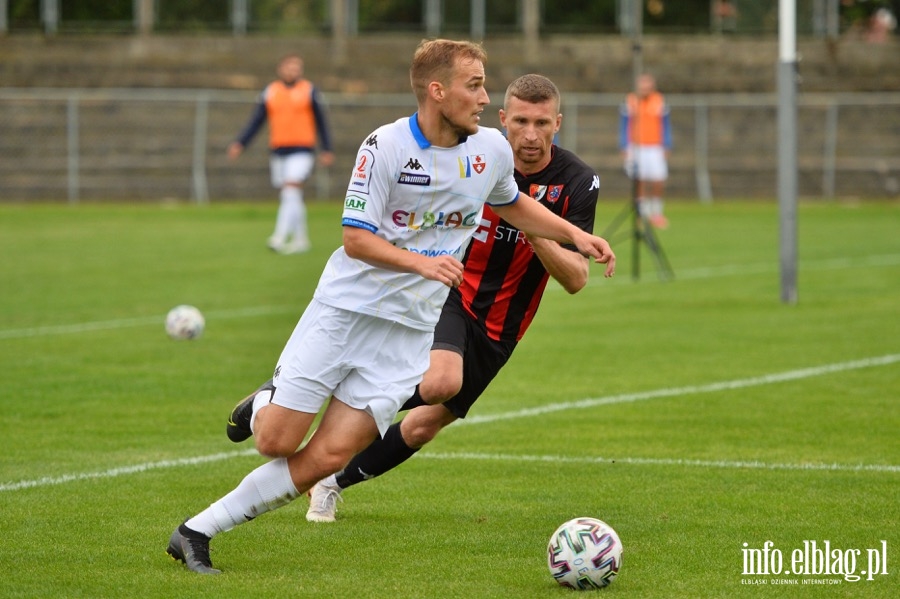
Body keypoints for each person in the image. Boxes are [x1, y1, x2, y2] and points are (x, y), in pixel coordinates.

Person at [166, 39, 616, 575]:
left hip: (408, 332)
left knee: (330, 456)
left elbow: (512, 202)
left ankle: (197, 532)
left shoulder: (490, 150)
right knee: (275, 441)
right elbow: (355, 239)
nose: (483, 96)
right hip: (348, 312)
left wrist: (575, 236)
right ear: (437, 90)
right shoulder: (385, 146)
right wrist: (424, 264)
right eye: (474, 86)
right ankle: (266, 400)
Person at [302, 73, 602, 523]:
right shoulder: (475, 156)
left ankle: (330, 481)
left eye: (542, 123)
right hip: (448, 291)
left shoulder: (577, 180)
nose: (530, 134)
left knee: (424, 424)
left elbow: (576, 277)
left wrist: (533, 227)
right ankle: (303, 394)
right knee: (443, 379)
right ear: (503, 120)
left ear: (557, 123)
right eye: (520, 121)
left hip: (504, 325)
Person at [228, 53, 335, 254]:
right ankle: (301, 239)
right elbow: (256, 121)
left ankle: (279, 236)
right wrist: (240, 143)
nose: (293, 71)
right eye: (289, 67)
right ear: (281, 69)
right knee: (291, 195)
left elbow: (322, 122)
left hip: (302, 150)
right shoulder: (270, 91)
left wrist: (327, 148)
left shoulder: (309, 91)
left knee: (290, 189)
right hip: (278, 150)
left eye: (297, 68)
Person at [619, 73, 671, 229]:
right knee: (639, 179)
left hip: (655, 146)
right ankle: (641, 214)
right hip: (636, 146)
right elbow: (624, 125)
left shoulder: (659, 101)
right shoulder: (630, 101)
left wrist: (667, 145)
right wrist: (624, 145)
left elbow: (666, 125)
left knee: (658, 179)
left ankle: (656, 213)